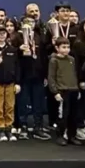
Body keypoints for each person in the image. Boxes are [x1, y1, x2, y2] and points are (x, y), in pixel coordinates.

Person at [17, 10, 50, 141]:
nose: (29, 24)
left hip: (38, 75)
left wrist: (45, 75)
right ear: (22, 24)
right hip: (24, 75)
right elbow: (13, 57)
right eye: (27, 22)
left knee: (38, 103)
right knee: (23, 103)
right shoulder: (17, 38)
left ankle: (38, 127)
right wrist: (19, 50)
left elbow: (43, 57)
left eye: (32, 22)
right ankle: (23, 127)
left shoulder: (38, 37)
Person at [0, 25, 20, 142]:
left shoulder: (12, 50)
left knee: (10, 106)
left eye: (4, 33)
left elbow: (17, 67)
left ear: (7, 35)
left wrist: (17, 82)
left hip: (10, 82)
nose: (2, 35)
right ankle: (0, 129)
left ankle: (9, 128)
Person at [48, 37, 80, 146]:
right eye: (63, 47)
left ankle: (72, 136)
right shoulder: (54, 60)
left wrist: (77, 88)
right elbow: (51, 77)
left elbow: (74, 74)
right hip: (62, 91)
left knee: (73, 115)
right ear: (57, 48)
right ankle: (60, 135)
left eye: (68, 47)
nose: (66, 50)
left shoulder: (72, 59)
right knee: (63, 115)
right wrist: (55, 92)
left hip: (73, 89)